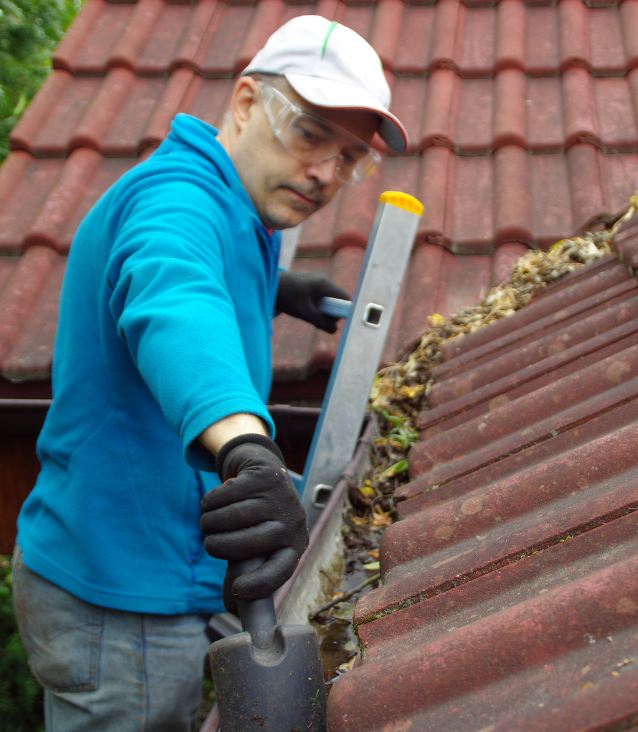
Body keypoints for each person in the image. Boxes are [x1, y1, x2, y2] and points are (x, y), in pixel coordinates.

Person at [12, 15, 408, 732]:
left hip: (148, 567)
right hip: (120, 594)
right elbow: (173, 297)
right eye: (311, 133)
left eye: (350, 157)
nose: (326, 173)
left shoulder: (241, 210)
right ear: (248, 104)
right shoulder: (178, 200)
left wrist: (272, 291)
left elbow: (204, 281)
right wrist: (246, 449)